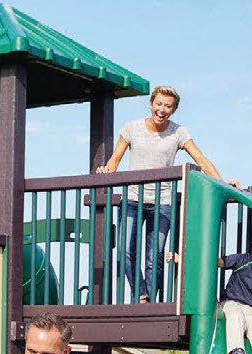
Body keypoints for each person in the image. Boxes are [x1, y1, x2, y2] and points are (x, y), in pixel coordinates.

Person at [96, 85, 240, 303]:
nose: (162, 110)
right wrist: (106, 170)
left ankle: (149, 304)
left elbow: (201, 160)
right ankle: (141, 295)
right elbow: (114, 160)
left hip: (162, 202)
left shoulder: (178, 132)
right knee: (125, 251)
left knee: (155, 256)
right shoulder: (132, 128)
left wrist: (222, 184)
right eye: (159, 104)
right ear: (151, 104)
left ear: (174, 110)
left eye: (168, 106)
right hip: (133, 199)